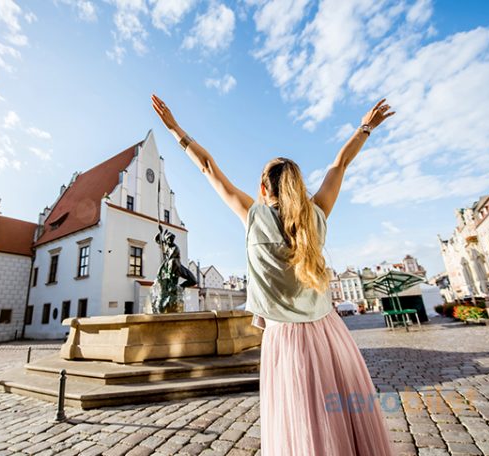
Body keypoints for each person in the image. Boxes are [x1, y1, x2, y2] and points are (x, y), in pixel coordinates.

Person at [151, 93, 396, 455]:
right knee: (342, 419)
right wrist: (365, 127)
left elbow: (208, 167)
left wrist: (174, 128)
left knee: (303, 423)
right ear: (297, 185)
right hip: (331, 333)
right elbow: (339, 166)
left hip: (287, 340)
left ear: (264, 189)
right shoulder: (316, 216)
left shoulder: (254, 217)